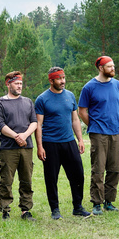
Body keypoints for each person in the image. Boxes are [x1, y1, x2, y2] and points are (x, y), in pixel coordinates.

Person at [35, 67, 91, 219]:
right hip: (50, 143)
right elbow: (38, 125)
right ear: (51, 80)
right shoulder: (42, 99)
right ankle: (55, 209)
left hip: (69, 142)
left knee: (78, 174)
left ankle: (78, 207)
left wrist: (80, 139)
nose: (63, 81)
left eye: (63, 78)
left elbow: (75, 119)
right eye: (59, 79)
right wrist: (40, 146)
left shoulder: (70, 96)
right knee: (51, 178)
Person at [78, 56, 119, 215]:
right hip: (98, 133)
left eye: (113, 66)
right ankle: (97, 203)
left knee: (115, 168)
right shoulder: (89, 87)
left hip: (116, 132)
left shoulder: (117, 85)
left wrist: (115, 120)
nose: (113, 69)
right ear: (100, 68)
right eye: (110, 67)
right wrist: (94, 125)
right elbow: (82, 111)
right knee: (98, 168)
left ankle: (109, 201)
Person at [0, 71, 38, 221]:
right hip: (8, 148)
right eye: (16, 83)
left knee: (26, 179)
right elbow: (0, 124)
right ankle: (5, 210)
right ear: (8, 84)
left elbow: (34, 122)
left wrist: (24, 136)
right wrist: (15, 136)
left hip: (27, 146)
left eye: (20, 83)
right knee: (6, 180)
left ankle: (26, 210)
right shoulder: (0, 103)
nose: (19, 86)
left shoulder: (28, 102)